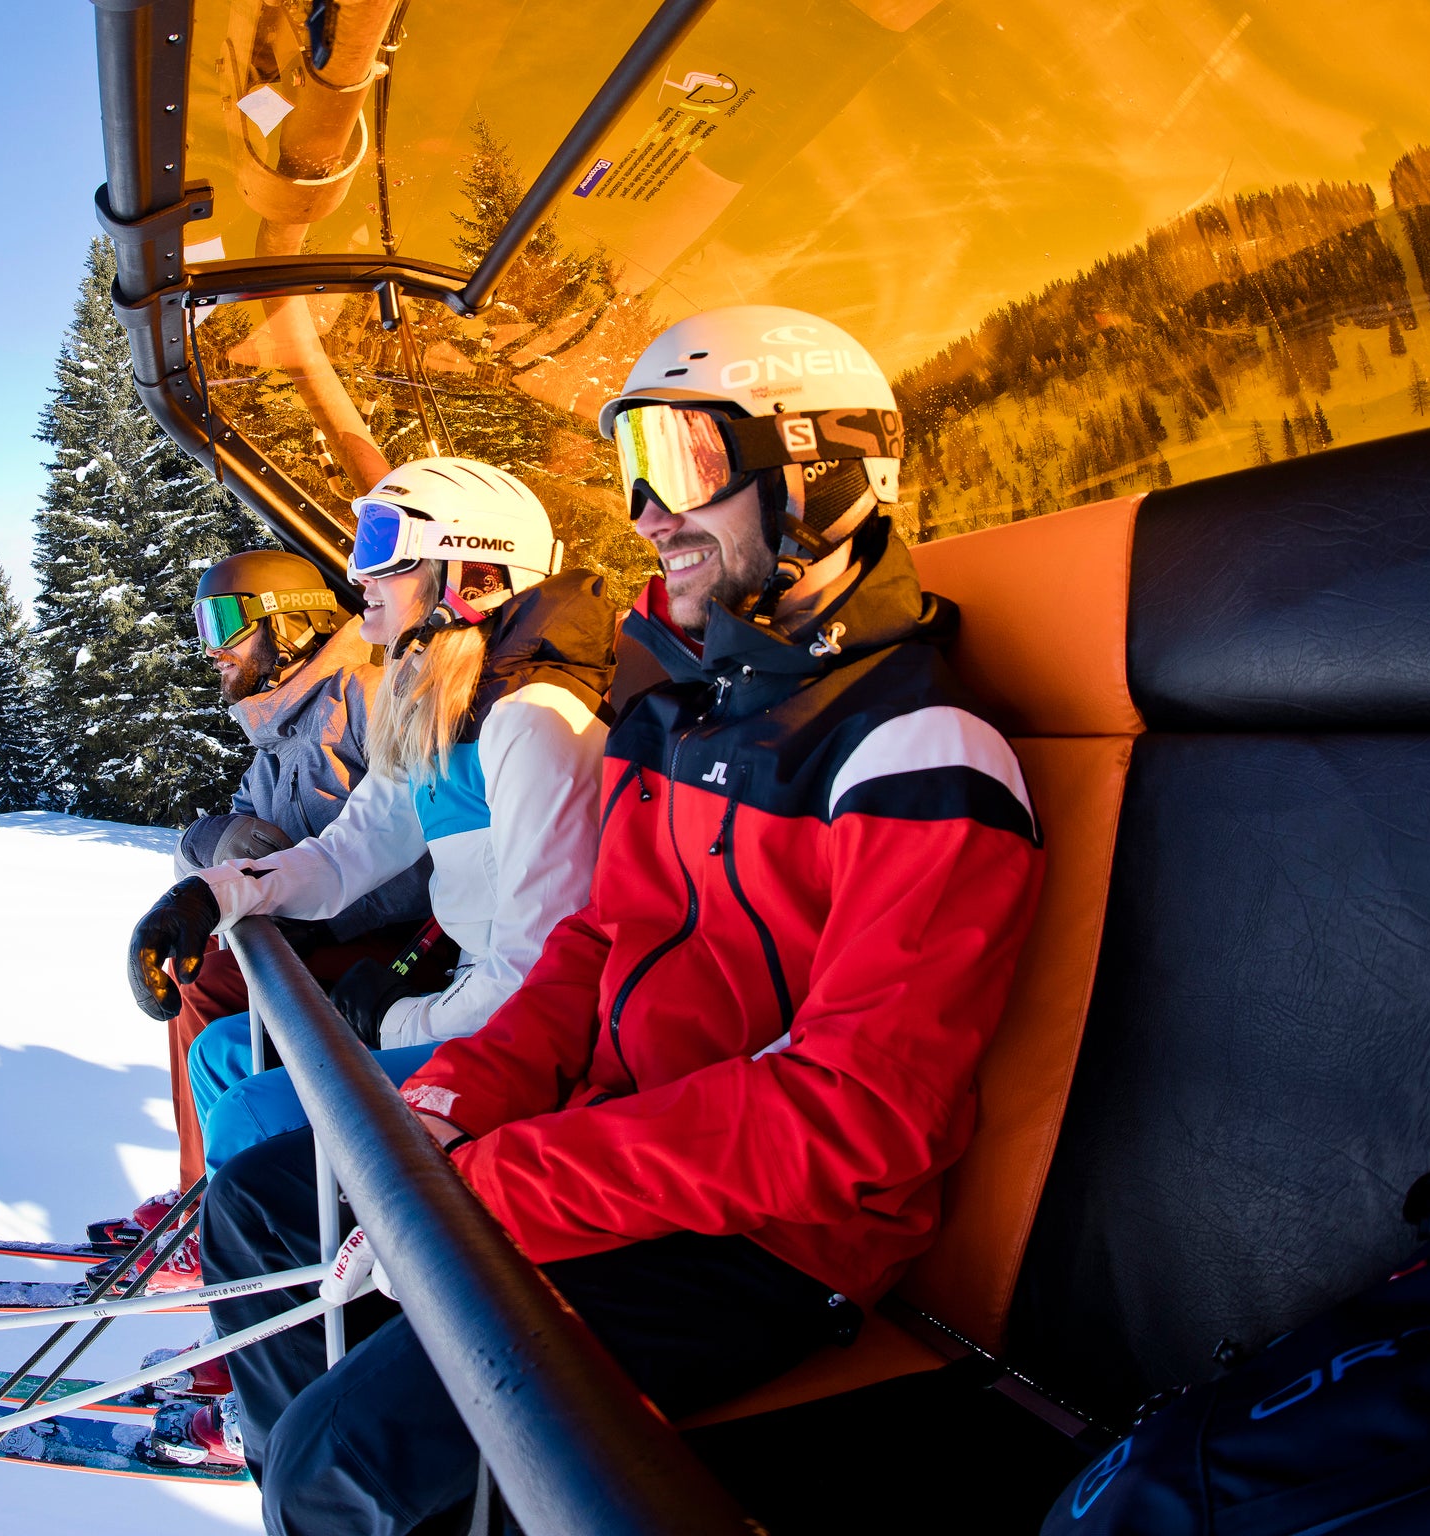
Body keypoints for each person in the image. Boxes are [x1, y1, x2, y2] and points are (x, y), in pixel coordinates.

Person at [200, 306, 1049, 1531]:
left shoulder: (912, 750)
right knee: (269, 1200)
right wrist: (456, 1100)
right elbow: (593, 944)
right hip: (609, 1144)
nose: (648, 514)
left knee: (339, 1465)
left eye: (681, 464)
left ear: (816, 466)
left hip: (765, 1245)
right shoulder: (688, 715)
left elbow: (855, 1116)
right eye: (633, 473)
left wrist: (507, 1184)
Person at [128, 459, 616, 1184]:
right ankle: (227, 1225)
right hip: (465, 1000)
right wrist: (215, 894)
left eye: (382, 546)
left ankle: (278, 1263)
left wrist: (396, 1020)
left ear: (472, 570)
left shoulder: (537, 722)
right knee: (223, 1052)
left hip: (516, 1031)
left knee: (252, 1110)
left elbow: (536, 971)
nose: (358, 575)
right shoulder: (443, 709)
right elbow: (343, 855)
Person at [121, 550, 431, 1202]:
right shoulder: (282, 733)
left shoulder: (367, 696)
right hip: (335, 938)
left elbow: (420, 851)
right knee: (203, 967)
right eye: (203, 626)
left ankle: (212, 1199)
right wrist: (210, 838)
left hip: (404, 951)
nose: (212, 649)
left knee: (209, 980)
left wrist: (303, 916)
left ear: (290, 624)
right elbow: (222, 839)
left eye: (226, 623)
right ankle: (210, 1191)